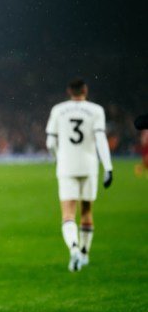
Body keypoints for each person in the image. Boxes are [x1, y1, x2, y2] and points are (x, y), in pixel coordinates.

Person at [46, 78, 113, 272]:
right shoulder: (96, 110)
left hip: (67, 166)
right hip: (89, 166)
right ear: (85, 90)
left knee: (68, 213)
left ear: (69, 91)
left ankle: (73, 248)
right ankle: (84, 254)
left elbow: (50, 142)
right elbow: (100, 138)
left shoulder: (58, 110)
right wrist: (108, 167)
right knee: (86, 211)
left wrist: (58, 157)